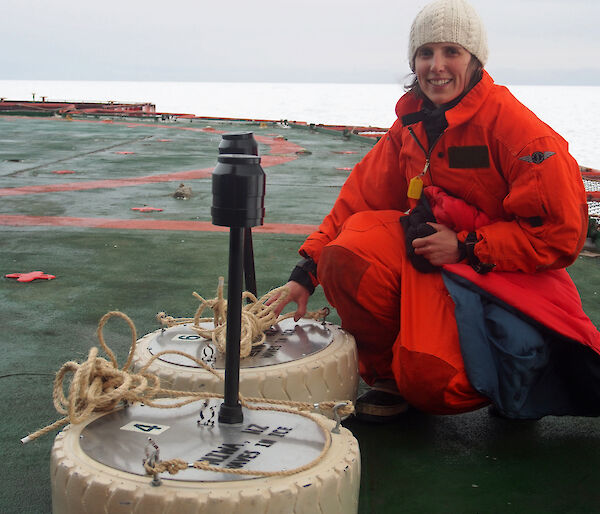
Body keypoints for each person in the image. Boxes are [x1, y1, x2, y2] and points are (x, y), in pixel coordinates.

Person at [270, 0, 600, 422]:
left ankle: (520, 376)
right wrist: (305, 274)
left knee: (436, 383)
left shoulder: (520, 134)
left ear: (474, 59)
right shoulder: (412, 126)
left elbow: (561, 236)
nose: (436, 66)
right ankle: (390, 377)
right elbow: (361, 200)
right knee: (348, 252)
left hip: (507, 277)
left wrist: (467, 246)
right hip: (435, 259)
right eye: (425, 53)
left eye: (451, 52)